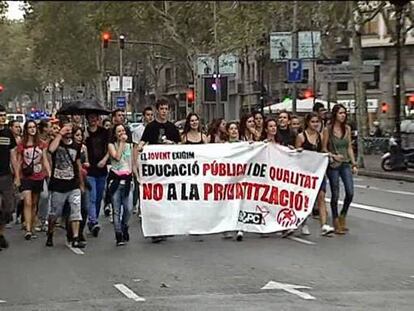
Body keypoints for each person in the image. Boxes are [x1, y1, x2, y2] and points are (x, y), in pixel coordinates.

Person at [139, 98, 180, 243]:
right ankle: (155, 230)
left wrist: (172, 144)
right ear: (157, 110)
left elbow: (181, 146)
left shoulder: (172, 127)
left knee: (168, 199)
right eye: (161, 109)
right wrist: (140, 148)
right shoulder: (151, 127)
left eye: (166, 109)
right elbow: (143, 142)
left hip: (169, 170)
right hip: (155, 171)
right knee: (156, 199)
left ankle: (166, 228)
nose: (164, 111)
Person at [45, 119, 86, 248]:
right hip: (58, 185)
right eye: (66, 129)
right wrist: (59, 135)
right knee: (55, 213)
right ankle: (50, 233)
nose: (68, 132)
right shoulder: (56, 143)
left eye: (70, 129)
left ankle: (75, 237)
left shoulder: (76, 145)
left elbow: (78, 164)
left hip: (72, 183)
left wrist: (81, 183)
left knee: (76, 211)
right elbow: (50, 150)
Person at [296, 113, 334, 236]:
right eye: (313, 121)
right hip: (305, 172)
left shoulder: (320, 136)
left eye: (317, 121)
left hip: (318, 171)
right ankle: (303, 223)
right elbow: (296, 156)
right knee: (306, 199)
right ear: (308, 123)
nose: (315, 124)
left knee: (321, 197)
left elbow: (323, 149)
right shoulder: (301, 137)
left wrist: (330, 155)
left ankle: (324, 225)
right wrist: (299, 151)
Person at [322, 104, 357, 235]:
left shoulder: (347, 129)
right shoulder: (328, 130)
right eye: (340, 113)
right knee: (335, 193)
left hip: (345, 163)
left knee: (350, 192)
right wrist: (333, 155)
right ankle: (336, 221)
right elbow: (324, 148)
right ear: (335, 114)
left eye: (344, 113)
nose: (343, 115)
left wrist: (353, 163)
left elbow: (348, 147)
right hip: (333, 165)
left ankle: (343, 215)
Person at [17, 120, 50, 240]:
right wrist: (17, 176)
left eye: (34, 127)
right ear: (26, 129)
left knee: (35, 203)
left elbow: (45, 159)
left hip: (38, 176)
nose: (32, 129)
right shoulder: (22, 144)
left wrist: (49, 172)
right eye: (29, 127)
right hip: (26, 177)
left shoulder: (41, 144)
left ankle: (32, 225)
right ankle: (28, 230)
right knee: (28, 202)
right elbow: (19, 161)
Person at [108, 124, 137, 246]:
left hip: (127, 181)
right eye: (118, 131)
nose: (121, 133)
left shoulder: (130, 146)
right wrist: (121, 143)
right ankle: (118, 234)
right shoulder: (111, 145)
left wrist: (136, 176)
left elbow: (133, 163)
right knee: (116, 210)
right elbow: (117, 157)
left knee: (128, 208)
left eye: (123, 131)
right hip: (115, 181)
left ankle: (124, 225)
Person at [85, 113, 109, 237]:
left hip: (102, 169)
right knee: (92, 197)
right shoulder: (84, 133)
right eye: (91, 117)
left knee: (99, 196)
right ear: (87, 119)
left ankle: (93, 219)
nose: (93, 119)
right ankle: (93, 221)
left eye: (95, 117)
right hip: (89, 170)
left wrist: (104, 160)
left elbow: (109, 148)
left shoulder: (104, 132)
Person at [0, 105, 19, 251]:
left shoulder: (8, 133)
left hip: (6, 175)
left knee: (8, 208)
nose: (2, 117)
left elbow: (13, 156)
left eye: (4, 115)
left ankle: (1, 233)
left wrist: (17, 175)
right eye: (0, 115)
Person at [132, 107, 154, 214]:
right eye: (148, 115)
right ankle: (140, 206)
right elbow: (136, 147)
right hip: (141, 161)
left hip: (152, 161)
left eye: (151, 115)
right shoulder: (138, 131)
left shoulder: (155, 128)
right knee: (140, 185)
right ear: (144, 116)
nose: (150, 117)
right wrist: (135, 163)